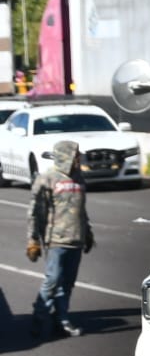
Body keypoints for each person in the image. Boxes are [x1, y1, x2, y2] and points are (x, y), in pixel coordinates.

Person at [26, 139, 94, 338]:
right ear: (66, 156)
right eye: (75, 155)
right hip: (55, 239)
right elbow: (34, 212)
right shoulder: (47, 179)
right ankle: (39, 320)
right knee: (52, 280)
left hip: (76, 239)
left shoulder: (79, 179)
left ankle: (61, 320)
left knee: (68, 283)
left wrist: (88, 234)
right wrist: (33, 240)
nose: (78, 159)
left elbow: (82, 211)